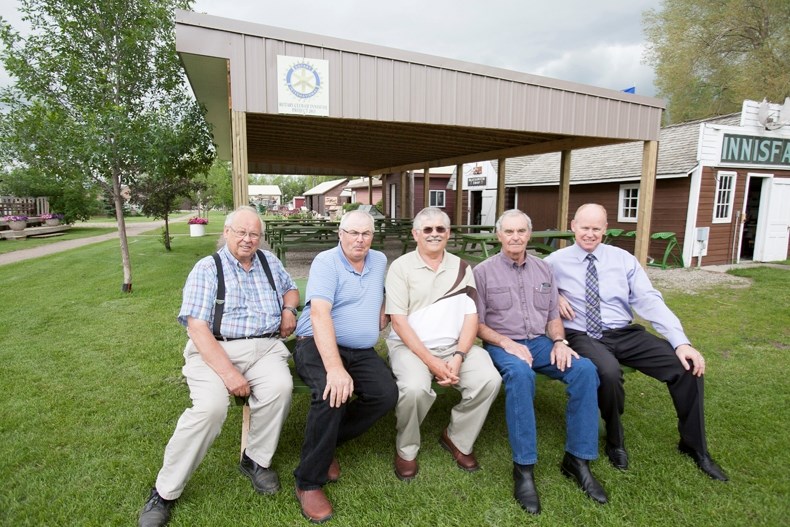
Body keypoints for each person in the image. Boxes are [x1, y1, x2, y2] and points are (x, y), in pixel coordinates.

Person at [139, 206, 300, 527]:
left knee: (280, 387)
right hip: (214, 349)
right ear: (226, 232)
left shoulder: (269, 261)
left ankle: (255, 459)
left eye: (254, 234)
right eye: (240, 232)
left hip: (265, 347)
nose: (248, 239)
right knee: (210, 409)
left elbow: (291, 288)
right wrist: (229, 374)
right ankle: (164, 491)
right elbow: (197, 328)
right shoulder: (207, 268)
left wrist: (288, 309)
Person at [545, 203, 728, 481]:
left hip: (624, 332)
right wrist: (554, 296)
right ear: (573, 226)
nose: (590, 234)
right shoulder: (554, 262)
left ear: (605, 229)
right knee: (607, 372)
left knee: (687, 368)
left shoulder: (623, 259)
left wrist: (681, 342)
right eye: (585, 227)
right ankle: (615, 439)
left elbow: (649, 300)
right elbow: (536, 289)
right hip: (582, 334)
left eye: (597, 228)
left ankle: (694, 446)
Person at [473, 210, 606, 514]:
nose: (515, 237)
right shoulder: (482, 272)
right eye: (509, 232)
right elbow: (477, 324)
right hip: (503, 343)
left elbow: (552, 316)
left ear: (529, 235)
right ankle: (524, 469)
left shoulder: (544, 269)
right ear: (499, 236)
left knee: (584, 369)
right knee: (521, 375)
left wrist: (559, 342)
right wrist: (507, 344)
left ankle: (578, 460)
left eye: (521, 231)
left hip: (542, 343)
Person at [292, 209, 398, 523]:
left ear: (373, 237)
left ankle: (326, 442)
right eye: (352, 233)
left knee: (386, 394)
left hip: (360, 349)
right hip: (316, 342)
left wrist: (383, 306)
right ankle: (308, 481)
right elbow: (320, 315)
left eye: (365, 234)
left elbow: (380, 289)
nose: (359, 239)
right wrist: (335, 368)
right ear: (340, 233)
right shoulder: (326, 262)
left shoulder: (378, 260)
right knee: (331, 392)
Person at [385, 207, 501, 482]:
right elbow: (398, 322)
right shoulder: (400, 267)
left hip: (455, 345)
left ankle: (457, 438)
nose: (434, 234)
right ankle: (407, 448)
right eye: (427, 229)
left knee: (489, 379)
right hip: (410, 347)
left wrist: (459, 356)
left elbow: (471, 316)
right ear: (416, 234)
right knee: (414, 388)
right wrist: (432, 362)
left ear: (448, 234)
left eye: (440, 229)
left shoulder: (462, 267)